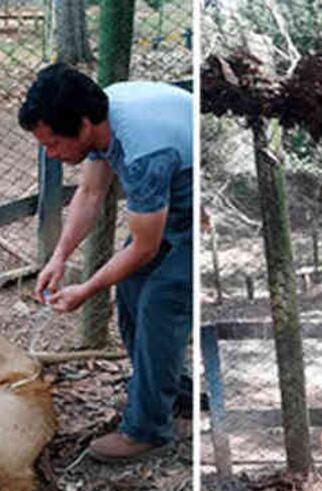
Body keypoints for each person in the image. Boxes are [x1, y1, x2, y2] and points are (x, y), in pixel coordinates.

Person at [19, 63, 192, 464]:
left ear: (82, 125)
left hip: (190, 206)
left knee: (161, 304)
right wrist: (59, 258)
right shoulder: (102, 112)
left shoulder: (145, 154)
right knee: (131, 292)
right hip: (168, 197)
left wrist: (87, 288)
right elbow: (91, 193)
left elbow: (145, 249)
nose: (52, 154)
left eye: (54, 143)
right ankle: (171, 394)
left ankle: (148, 431)